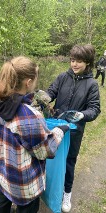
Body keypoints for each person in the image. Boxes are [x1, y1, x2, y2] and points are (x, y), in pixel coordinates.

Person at [0, 56, 69, 213]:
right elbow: (46, 150)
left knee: (2, 200)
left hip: (4, 173)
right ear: (28, 82)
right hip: (24, 184)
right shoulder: (29, 116)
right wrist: (60, 131)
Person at [47, 44, 101, 213]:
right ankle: (48, 188)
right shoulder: (63, 77)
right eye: (72, 60)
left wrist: (82, 115)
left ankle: (67, 193)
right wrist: (45, 97)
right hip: (55, 127)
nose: (74, 64)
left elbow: (94, 109)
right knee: (50, 157)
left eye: (79, 61)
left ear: (88, 63)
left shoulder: (92, 84)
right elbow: (51, 92)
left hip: (74, 131)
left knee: (69, 162)